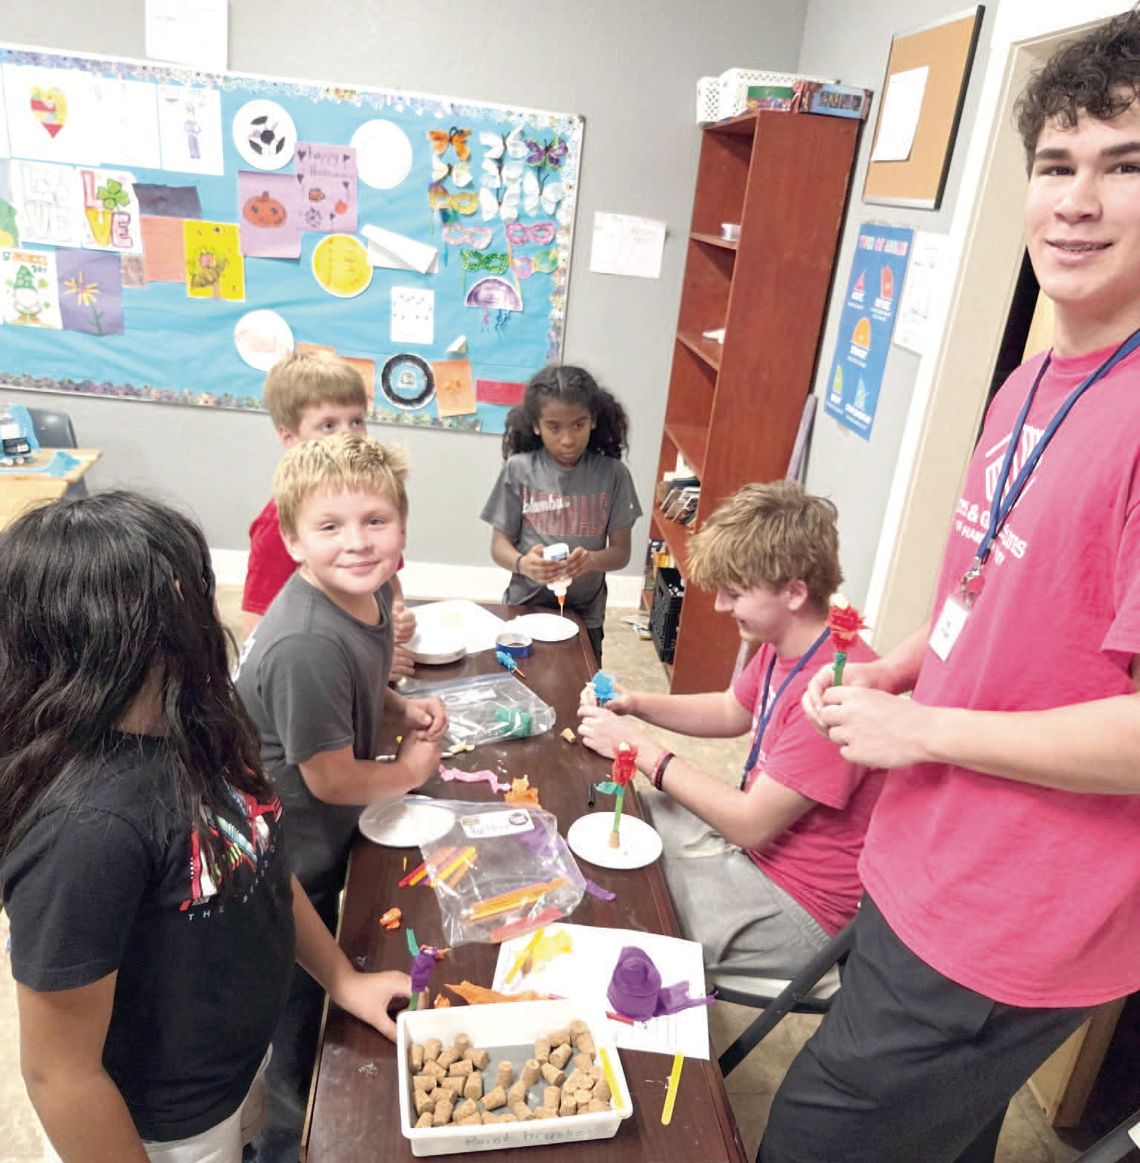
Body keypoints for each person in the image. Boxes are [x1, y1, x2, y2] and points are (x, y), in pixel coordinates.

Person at [760, 13, 1140, 1163]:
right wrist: (907, 662)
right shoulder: (1034, 377)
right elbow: (1004, 587)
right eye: (1056, 165)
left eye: (1127, 168)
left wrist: (917, 722)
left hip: (1013, 916)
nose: (1075, 201)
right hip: (926, 851)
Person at [0, 492, 412, 1163]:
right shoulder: (86, 826)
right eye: (178, 597)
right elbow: (59, 1073)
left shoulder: (200, 722)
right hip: (159, 1133)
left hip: (234, 1073)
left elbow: (259, 861)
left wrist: (343, 979)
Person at [234, 433, 446, 1163]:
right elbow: (327, 777)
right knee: (296, 1020)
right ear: (292, 540)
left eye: (375, 521)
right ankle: (283, 1144)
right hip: (285, 861)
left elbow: (362, 681)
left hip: (327, 836)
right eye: (329, 527)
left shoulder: (366, 594)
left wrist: (395, 710)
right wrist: (411, 771)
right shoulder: (304, 643)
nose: (357, 543)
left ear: (403, 526)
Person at [578, 481, 882, 978]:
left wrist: (641, 749)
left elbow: (749, 823)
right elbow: (730, 710)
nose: (720, 606)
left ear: (794, 592)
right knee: (623, 817)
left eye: (735, 593)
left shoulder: (836, 692)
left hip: (798, 904)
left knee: (628, 916)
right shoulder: (785, 639)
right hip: (755, 850)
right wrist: (637, 704)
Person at [241, 349, 415, 674]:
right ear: (289, 438)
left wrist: (396, 614)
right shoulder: (278, 525)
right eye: (328, 425)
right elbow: (255, 624)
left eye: (357, 421)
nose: (348, 436)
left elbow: (388, 580)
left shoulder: (370, 502)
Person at [480, 364, 642, 663]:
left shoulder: (614, 475)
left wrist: (591, 560)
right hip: (524, 605)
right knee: (520, 680)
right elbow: (498, 546)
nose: (567, 439)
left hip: (585, 613)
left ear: (593, 420)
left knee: (581, 689)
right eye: (554, 427)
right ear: (537, 425)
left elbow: (621, 553)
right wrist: (523, 564)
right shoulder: (519, 469)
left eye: (578, 425)